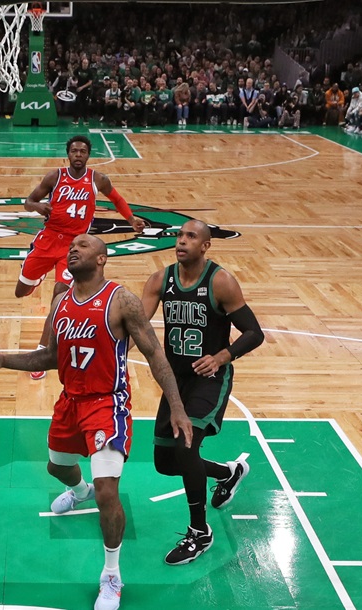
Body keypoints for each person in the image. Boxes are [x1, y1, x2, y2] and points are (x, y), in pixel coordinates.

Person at [0, 234, 193, 610]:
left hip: (108, 405)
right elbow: (49, 358)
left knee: (109, 491)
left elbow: (155, 354)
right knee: (57, 467)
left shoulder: (122, 300)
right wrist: (3, 360)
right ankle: (80, 490)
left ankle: (111, 576)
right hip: (70, 401)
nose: (74, 249)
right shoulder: (60, 303)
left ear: (102, 259)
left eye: (84, 245)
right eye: (72, 246)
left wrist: (177, 406)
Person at [140, 219, 264, 565]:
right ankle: (228, 473)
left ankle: (199, 533)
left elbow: (254, 332)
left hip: (209, 379)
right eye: (179, 236)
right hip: (175, 381)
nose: (181, 241)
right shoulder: (160, 279)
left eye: (190, 236)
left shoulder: (220, 281)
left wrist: (223, 355)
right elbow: (137, 324)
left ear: (205, 245)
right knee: (166, 463)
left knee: (186, 445)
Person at [18, 135, 146, 380]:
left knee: (60, 295)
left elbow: (117, 199)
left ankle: (41, 351)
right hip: (48, 239)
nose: (78, 155)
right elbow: (28, 201)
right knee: (21, 291)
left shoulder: (98, 179)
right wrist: (37, 207)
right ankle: (35, 279)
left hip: (74, 245)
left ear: (88, 155)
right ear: (68, 154)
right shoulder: (54, 176)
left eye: (83, 151)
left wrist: (131, 219)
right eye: (74, 151)